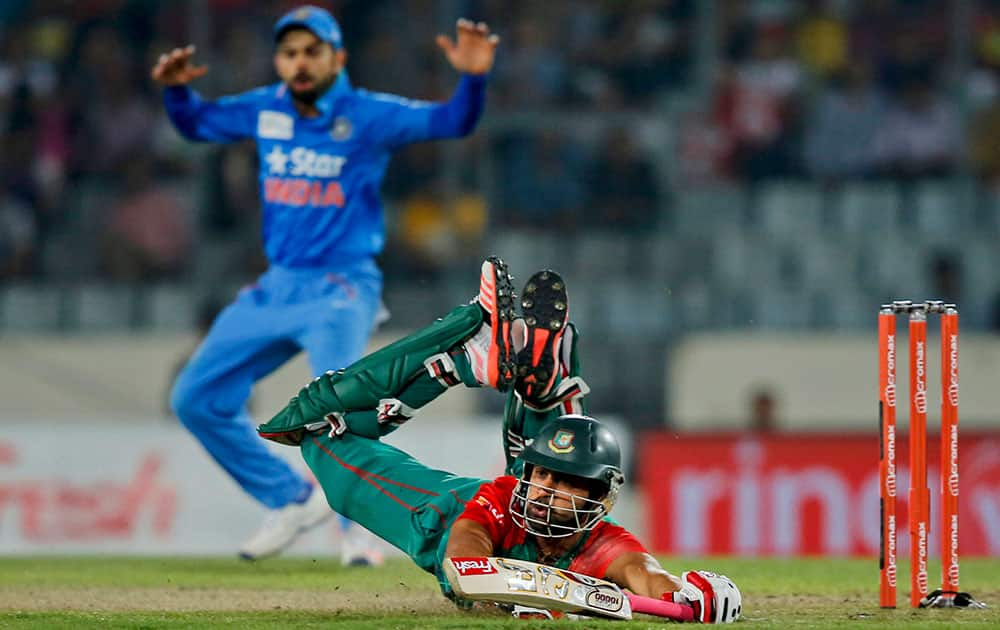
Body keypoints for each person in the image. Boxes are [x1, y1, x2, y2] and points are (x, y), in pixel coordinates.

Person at [151, 5, 500, 564]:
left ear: (338, 58)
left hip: (341, 287)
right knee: (195, 398)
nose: (300, 63)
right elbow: (198, 125)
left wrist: (474, 77)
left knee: (338, 411)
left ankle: (358, 535)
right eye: (290, 53)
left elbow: (451, 122)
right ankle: (290, 497)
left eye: (313, 52)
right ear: (278, 61)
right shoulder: (265, 108)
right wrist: (175, 95)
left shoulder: (367, 114)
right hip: (278, 285)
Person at [257, 257, 742, 623]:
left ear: (598, 499)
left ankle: (502, 373)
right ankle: (485, 359)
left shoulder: (604, 540)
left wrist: (688, 596)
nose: (548, 487)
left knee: (321, 426)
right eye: (543, 475)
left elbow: (643, 575)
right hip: (445, 515)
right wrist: (505, 597)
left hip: (502, 538)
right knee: (312, 425)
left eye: (568, 481)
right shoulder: (507, 495)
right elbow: (464, 558)